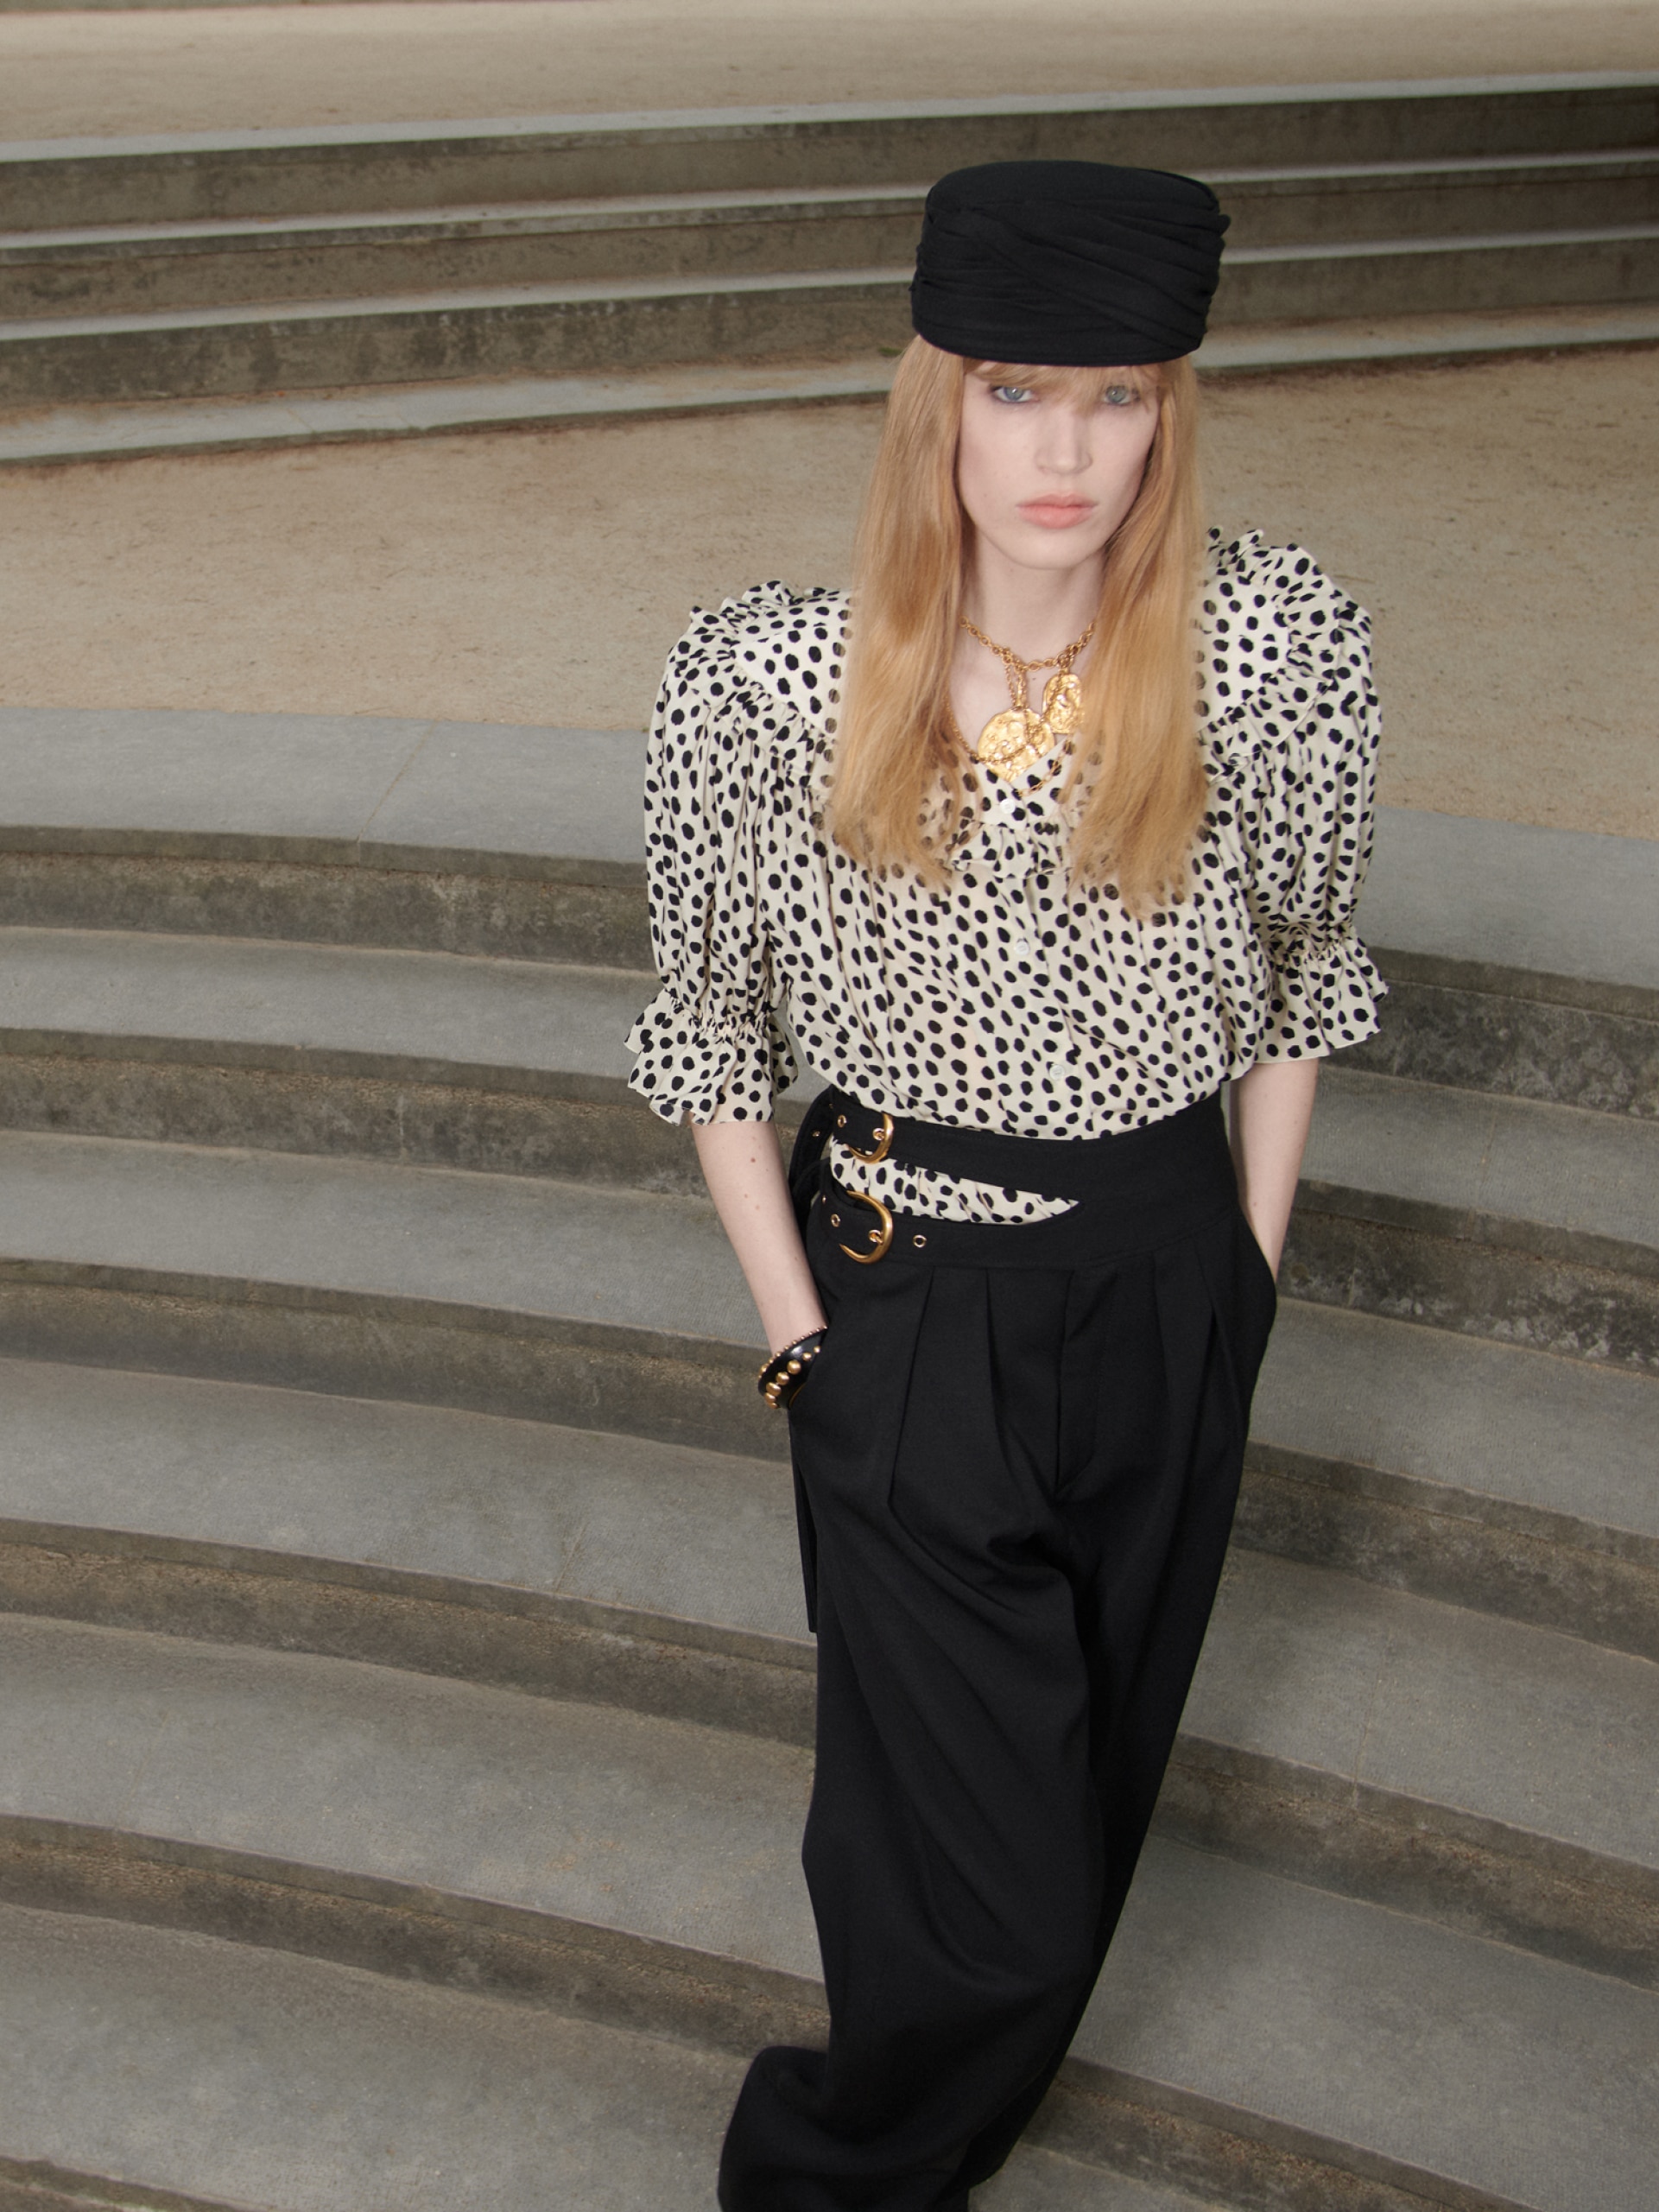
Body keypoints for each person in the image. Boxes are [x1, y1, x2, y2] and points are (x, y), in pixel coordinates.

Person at [627, 159, 1383, 2212]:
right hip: (899, 1289)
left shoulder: (1269, 648)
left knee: (1097, 1785)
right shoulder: (764, 679)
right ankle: (825, 2177)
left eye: (1119, 396)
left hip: (1166, 1272)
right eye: (1017, 390)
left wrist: (1245, 1271)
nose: (1066, 454)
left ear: (1170, 414)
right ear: (933, 402)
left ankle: (917, 2155)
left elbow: (1302, 978)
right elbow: (708, 1035)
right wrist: (803, 1348)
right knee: (988, 1884)